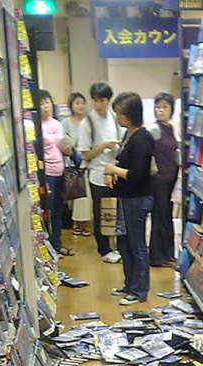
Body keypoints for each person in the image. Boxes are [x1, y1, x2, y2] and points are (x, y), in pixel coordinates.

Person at [104, 91, 154, 305]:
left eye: (120, 113)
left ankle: (139, 291)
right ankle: (129, 284)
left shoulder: (143, 139)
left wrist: (113, 170)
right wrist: (111, 171)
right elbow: (122, 160)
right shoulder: (129, 134)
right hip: (125, 198)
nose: (117, 117)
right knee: (124, 244)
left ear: (130, 114)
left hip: (138, 198)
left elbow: (137, 175)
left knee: (137, 245)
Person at [78, 82, 123, 264]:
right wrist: (104, 145)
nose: (98, 104)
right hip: (97, 172)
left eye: (102, 100)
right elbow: (85, 153)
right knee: (101, 211)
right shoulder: (87, 122)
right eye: (95, 100)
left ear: (109, 100)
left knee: (116, 211)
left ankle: (117, 246)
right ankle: (104, 249)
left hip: (116, 172)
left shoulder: (114, 117)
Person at [37, 89, 74, 257]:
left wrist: (67, 149)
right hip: (47, 173)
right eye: (42, 103)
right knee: (48, 211)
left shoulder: (57, 124)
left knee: (59, 210)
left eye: (47, 102)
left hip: (60, 171)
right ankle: (49, 247)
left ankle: (58, 244)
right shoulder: (36, 126)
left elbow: (61, 146)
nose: (46, 106)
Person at [149, 92, 180, 267]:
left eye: (164, 107)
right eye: (158, 107)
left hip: (170, 178)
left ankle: (168, 254)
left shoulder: (170, 128)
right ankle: (156, 256)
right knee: (159, 216)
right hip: (158, 179)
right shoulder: (154, 129)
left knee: (167, 216)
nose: (160, 111)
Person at [62, 91, 92, 237]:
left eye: (82, 103)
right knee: (75, 194)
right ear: (71, 106)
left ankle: (83, 223)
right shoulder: (65, 122)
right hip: (70, 162)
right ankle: (76, 222)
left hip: (86, 161)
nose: (81, 106)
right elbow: (63, 141)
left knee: (85, 194)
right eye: (77, 103)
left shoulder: (88, 121)